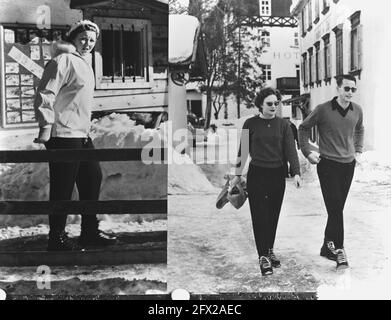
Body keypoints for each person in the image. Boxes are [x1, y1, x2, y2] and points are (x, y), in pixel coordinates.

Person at [34, 20, 117, 251]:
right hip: (62, 134)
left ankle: (89, 233)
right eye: (83, 39)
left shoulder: (84, 63)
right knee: (63, 187)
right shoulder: (63, 60)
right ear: (73, 38)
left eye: (92, 40)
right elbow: (45, 93)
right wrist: (45, 125)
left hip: (81, 134)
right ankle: (57, 238)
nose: (88, 43)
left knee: (92, 178)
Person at [231, 87, 302, 276]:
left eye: (276, 103)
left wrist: (296, 172)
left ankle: (269, 249)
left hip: (277, 175)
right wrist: (237, 173)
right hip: (257, 174)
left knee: (272, 215)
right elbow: (243, 150)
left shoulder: (284, 125)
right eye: (269, 103)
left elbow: (290, 150)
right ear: (260, 105)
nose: (273, 106)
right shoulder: (250, 124)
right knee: (259, 216)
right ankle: (263, 256)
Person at [298, 74, 364, 270]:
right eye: (346, 89)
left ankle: (327, 246)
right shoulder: (323, 110)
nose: (350, 92)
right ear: (338, 89)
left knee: (336, 209)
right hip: (327, 165)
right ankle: (340, 250)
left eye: (353, 89)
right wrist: (307, 152)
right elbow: (303, 128)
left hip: (348, 165)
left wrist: (358, 150)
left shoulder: (357, 110)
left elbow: (360, 129)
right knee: (335, 208)